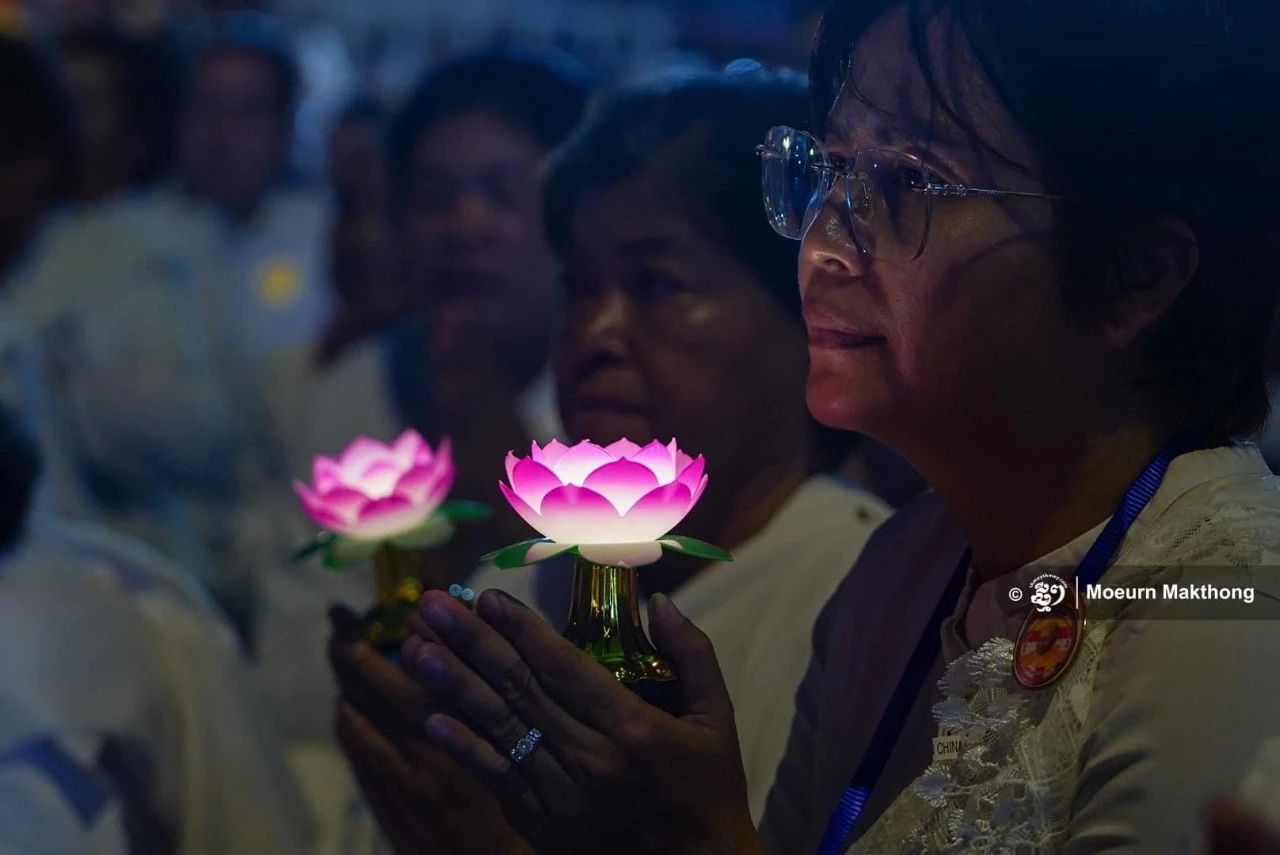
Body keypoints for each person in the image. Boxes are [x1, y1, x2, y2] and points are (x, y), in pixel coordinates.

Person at [382, 0, 1280, 852]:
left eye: (910, 184)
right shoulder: (903, 570)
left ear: (1136, 277)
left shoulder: (1231, 595)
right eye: (832, 170)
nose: (820, 248)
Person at [328, 68, 891, 849]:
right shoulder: (516, 591)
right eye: (578, 289)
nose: (593, 334)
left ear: (809, 314)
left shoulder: (872, 599)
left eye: (655, 284)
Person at [382, 48, 592, 578]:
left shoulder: (619, 402)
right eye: (434, 198)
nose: (466, 227)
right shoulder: (352, 393)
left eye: (504, 195)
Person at [55, 26, 173, 202]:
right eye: (56, 104)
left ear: (137, 138)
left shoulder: (170, 217)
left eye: (83, 106)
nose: (58, 124)